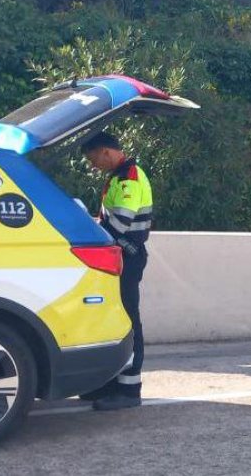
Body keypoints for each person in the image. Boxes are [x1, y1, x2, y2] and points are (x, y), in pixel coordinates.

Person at [78, 132, 153, 411]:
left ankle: (129, 390)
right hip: (118, 258)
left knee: (128, 321)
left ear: (107, 152)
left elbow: (119, 225)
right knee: (112, 320)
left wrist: (83, 224)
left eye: (93, 159)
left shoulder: (129, 178)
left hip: (128, 258)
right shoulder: (118, 176)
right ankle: (110, 383)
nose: (93, 165)